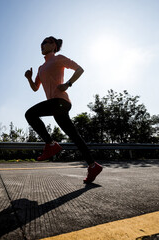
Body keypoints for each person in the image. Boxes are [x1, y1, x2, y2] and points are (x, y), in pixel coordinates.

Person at [24, 36, 102, 183]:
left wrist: (68, 84)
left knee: (30, 114)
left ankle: (51, 144)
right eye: (41, 43)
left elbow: (80, 69)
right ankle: (93, 166)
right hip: (55, 106)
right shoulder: (41, 68)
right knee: (75, 137)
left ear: (53, 45)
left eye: (45, 42)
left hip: (60, 101)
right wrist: (29, 78)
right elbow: (35, 88)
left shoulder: (58, 58)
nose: (42, 45)